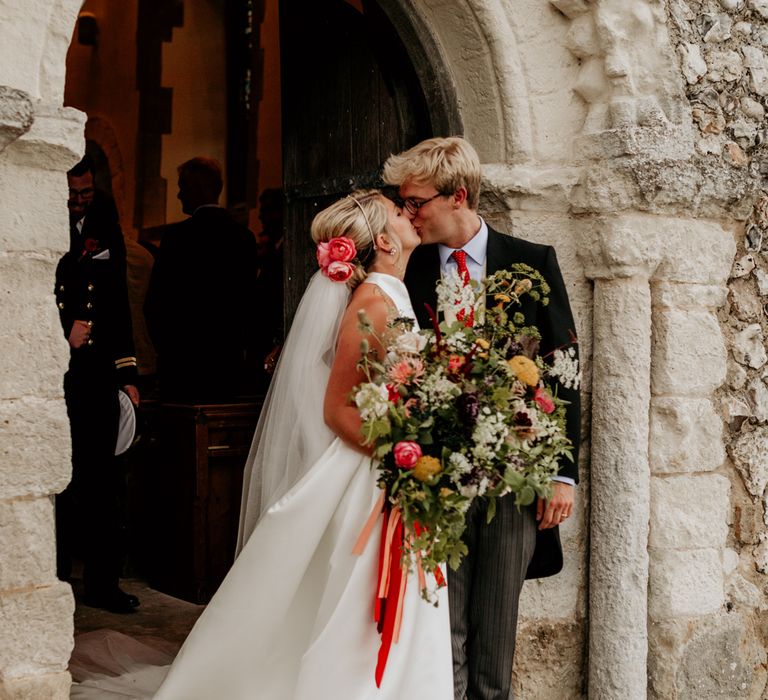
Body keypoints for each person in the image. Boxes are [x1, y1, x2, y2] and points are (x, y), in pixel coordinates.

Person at [71, 190, 453, 699]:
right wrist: (408, 449)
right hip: (376, 468)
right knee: (358, 598)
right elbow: (338, 408)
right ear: (383, 241)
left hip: (389, 466)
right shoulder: (374, 303)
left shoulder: (394, 292)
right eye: (397, 211)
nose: (410, 212)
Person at [383, 136, 581, 700]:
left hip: (517, 477)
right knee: (443, 632)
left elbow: (563, 370)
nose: (408, 212)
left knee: (496, 629)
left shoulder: (531, 262)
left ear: (458, 196)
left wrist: (563, 475)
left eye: (416, 201)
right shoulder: (406, 271)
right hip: (434, 478)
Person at [54, 155, 140, 614]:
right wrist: (63, 329)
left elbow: (117, 298)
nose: (78, 202)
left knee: (105, 480)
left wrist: (128, 374)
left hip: (100, 371)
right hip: (57, 372)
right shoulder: (40, 210)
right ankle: (55, 577)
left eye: (85, 193)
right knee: (61, 478)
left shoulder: (104, 215)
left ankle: (104, 584)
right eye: (73, 194)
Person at [144, 157, 260, 402]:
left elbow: (156, 303)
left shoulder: (177, 238)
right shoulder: (243, 238)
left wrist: (168, 350)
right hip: (228, 365)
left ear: (195, 189)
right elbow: (249, 303)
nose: (178, 195)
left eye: (181, 187)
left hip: (182, 367)